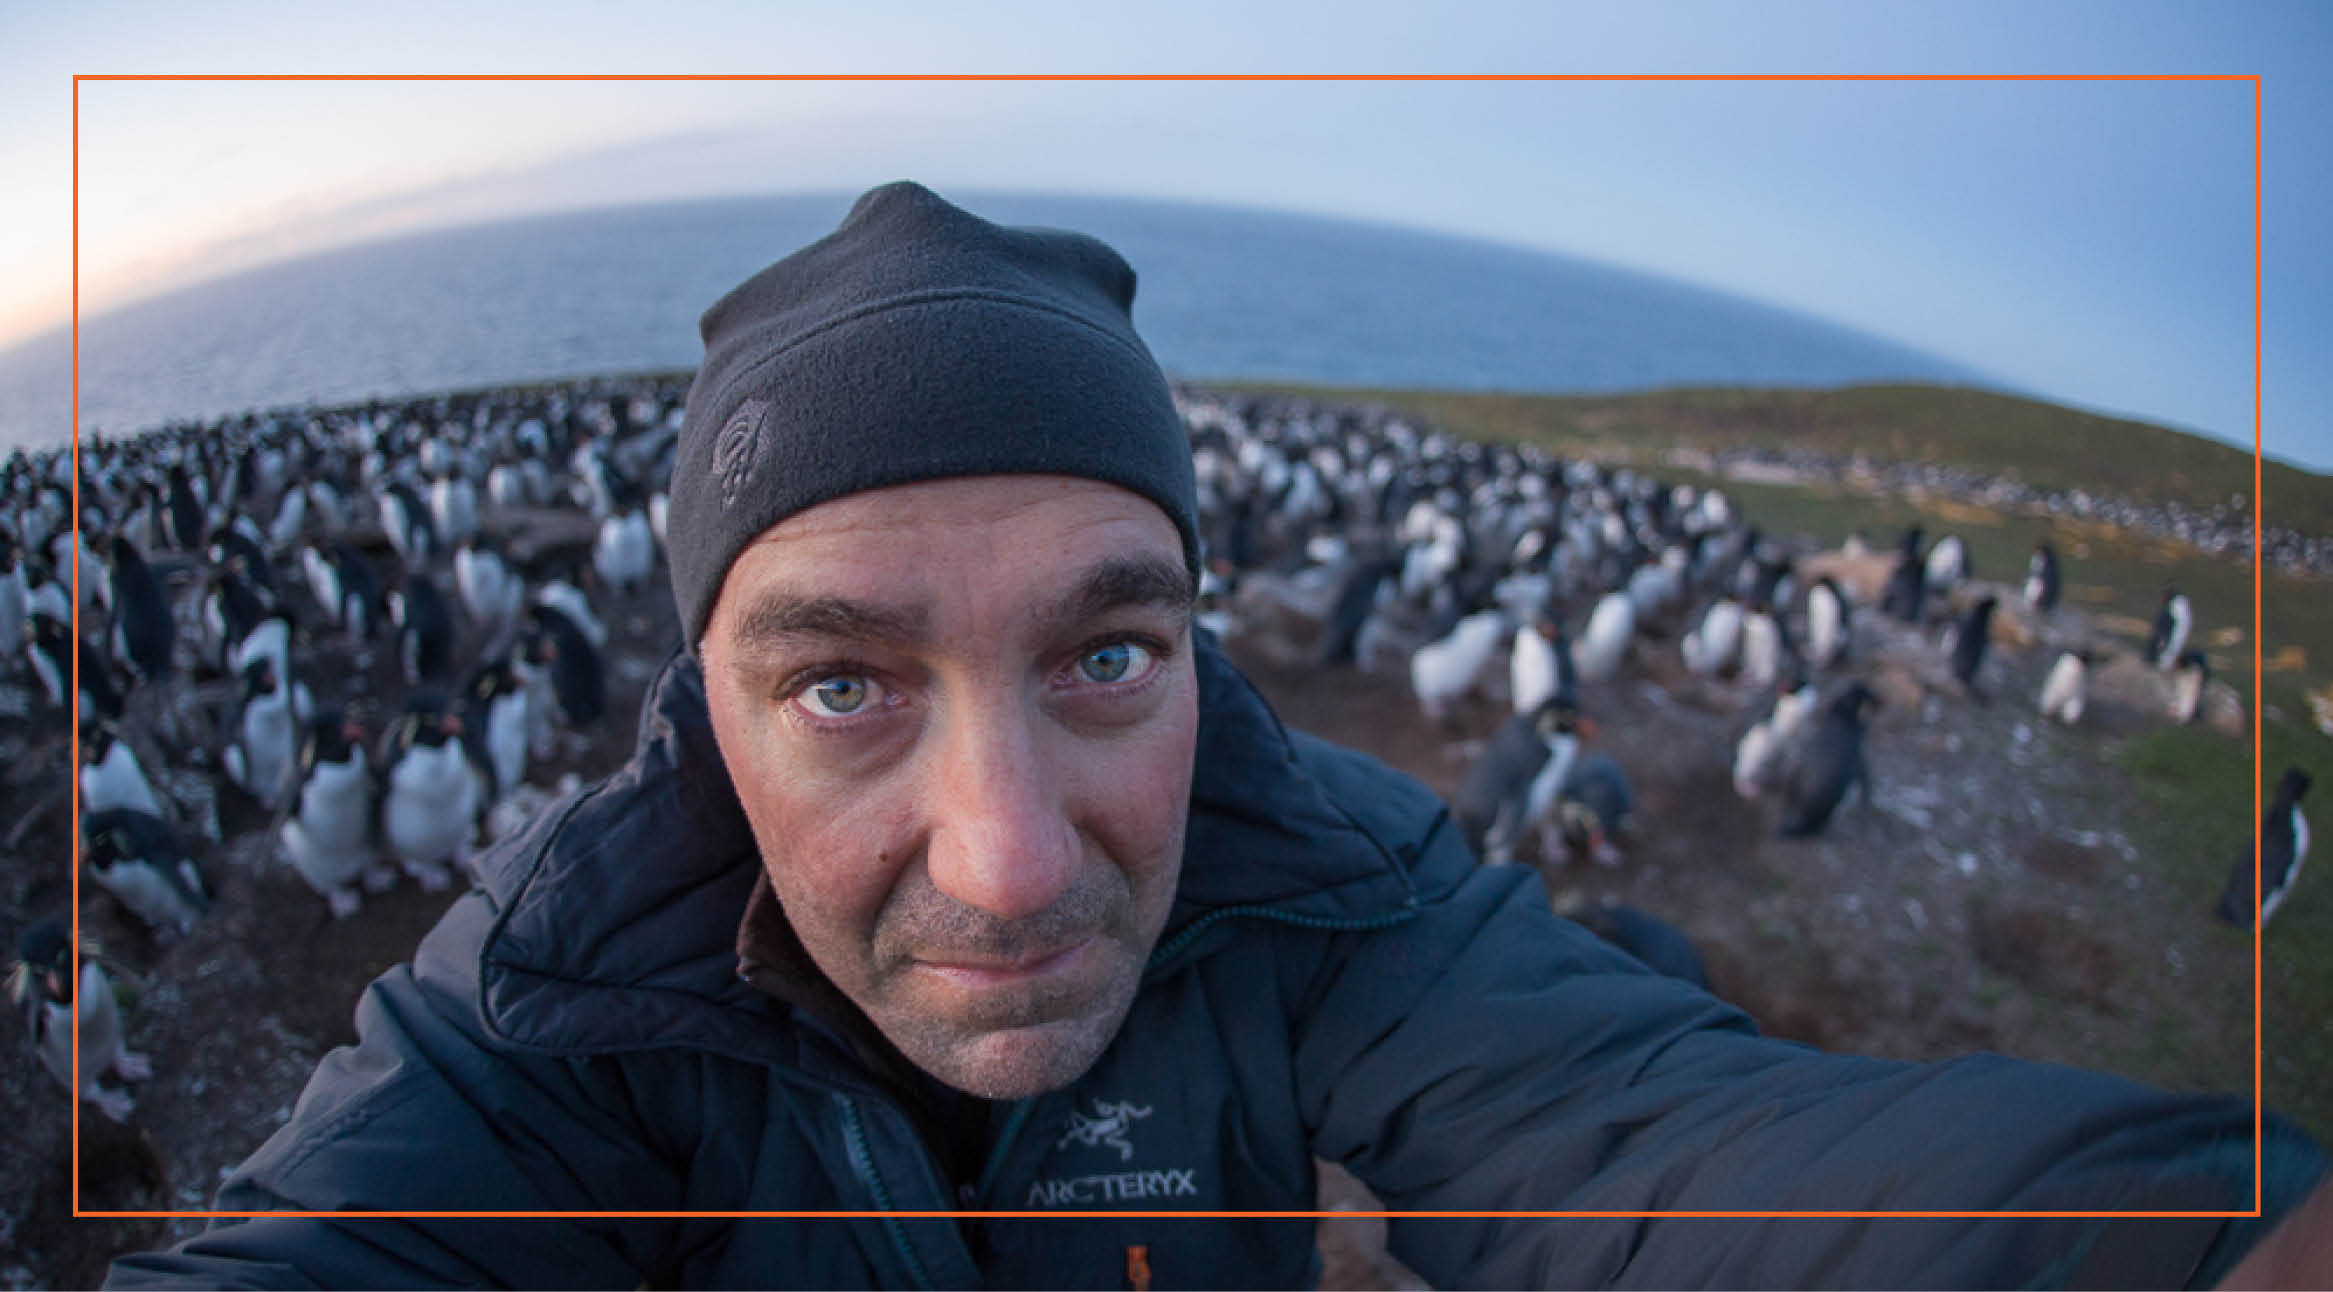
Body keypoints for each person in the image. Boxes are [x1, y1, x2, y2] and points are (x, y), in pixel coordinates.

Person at [110, 182, 2325, 1290]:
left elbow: (1682, 1157)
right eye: (843, 681)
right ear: (701, 701)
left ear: (1201, 645)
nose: (1012, 859)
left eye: (1103, 656)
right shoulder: (539, 1010)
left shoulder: (1330, 881)